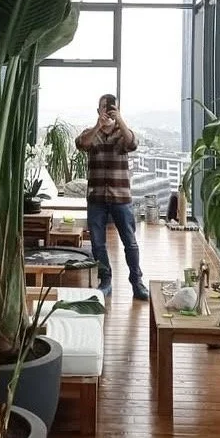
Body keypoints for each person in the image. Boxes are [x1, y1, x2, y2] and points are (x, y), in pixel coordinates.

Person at [75, 94, 149, 300]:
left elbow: (132, 143)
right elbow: (81, 144)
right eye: (103, 107)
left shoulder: (122, 133)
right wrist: (98, 126)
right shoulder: (91, 133)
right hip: (96, 198)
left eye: (111, 108)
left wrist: (120, 120)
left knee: (130, 242)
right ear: (98, 110)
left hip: (121, 197)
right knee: (98, 243)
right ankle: (105, 281)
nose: (107, 111)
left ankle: (137, 282)